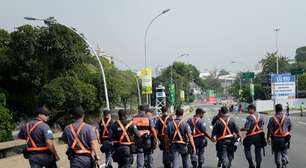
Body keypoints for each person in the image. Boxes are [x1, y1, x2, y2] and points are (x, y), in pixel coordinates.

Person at [267, 104, 292, 168]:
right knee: (284, 151)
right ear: (282, 109)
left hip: (275, 139)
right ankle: (284, 159)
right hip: (285, 138)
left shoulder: (272, 118)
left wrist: (268, 138)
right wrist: (287, 132)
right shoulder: (287, 117)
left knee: (276, 153)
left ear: (275, 110)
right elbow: (290, 127)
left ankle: (278, 164)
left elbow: (269, 130)